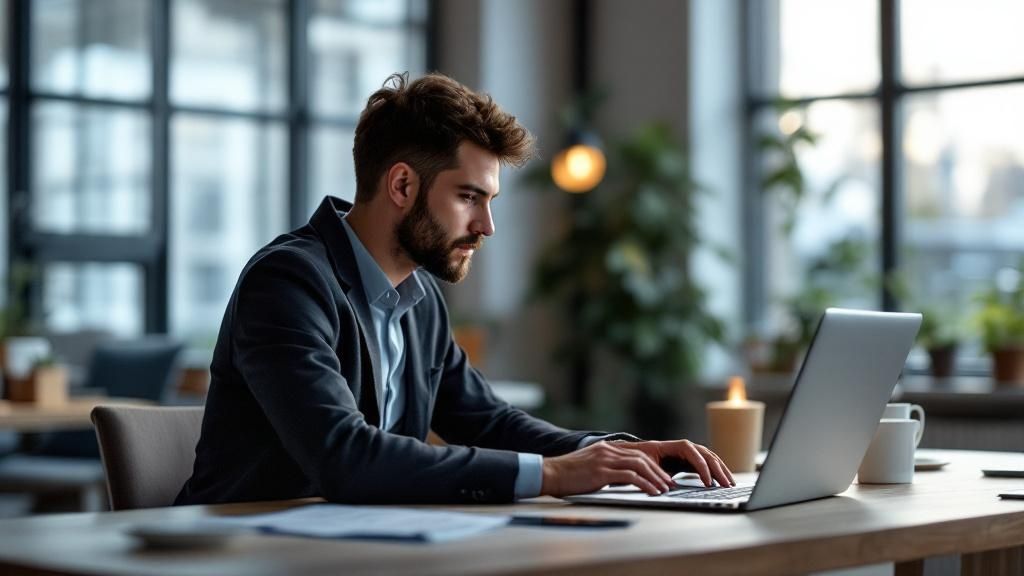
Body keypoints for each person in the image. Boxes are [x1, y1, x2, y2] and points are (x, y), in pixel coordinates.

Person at [175, 73, 733, 506]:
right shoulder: (289, 282)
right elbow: (343, 456)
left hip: (354, 548)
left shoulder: (420, 303)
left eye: (490, 201)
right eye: (470, 197)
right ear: (401, 184)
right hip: (245, 552)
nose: (487, 227)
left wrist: (608, 453)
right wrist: (553, 476)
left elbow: (490, 421)